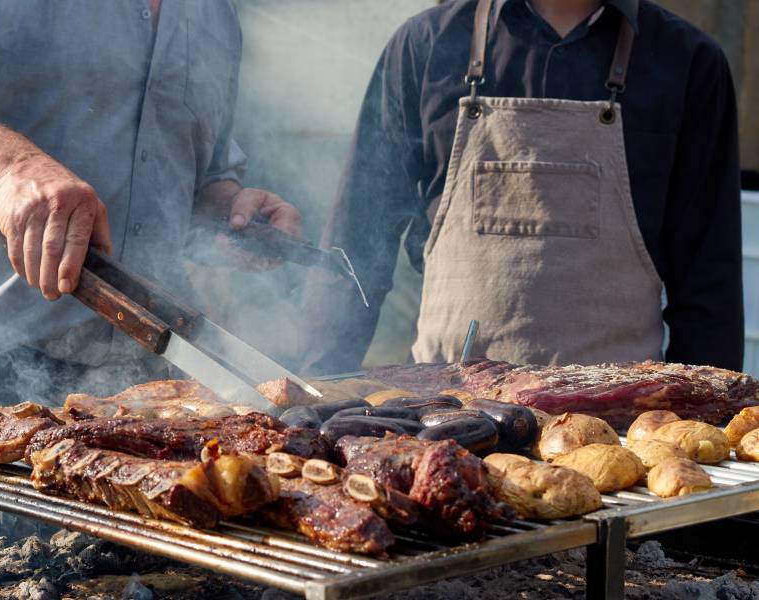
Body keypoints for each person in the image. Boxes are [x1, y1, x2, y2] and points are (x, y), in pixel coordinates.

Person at [0, 0, 300, 532]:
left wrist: (228, 212)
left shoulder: (213, 14)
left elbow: (193, 175)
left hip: (133, 415)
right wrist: (11, 168)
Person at [300, 0, 743, 375]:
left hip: (619, 430)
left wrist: (714, 424)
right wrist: (309, 394)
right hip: (446, 422)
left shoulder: (687, 62)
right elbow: (357, 246)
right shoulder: (424, 46)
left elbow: (708, 286)